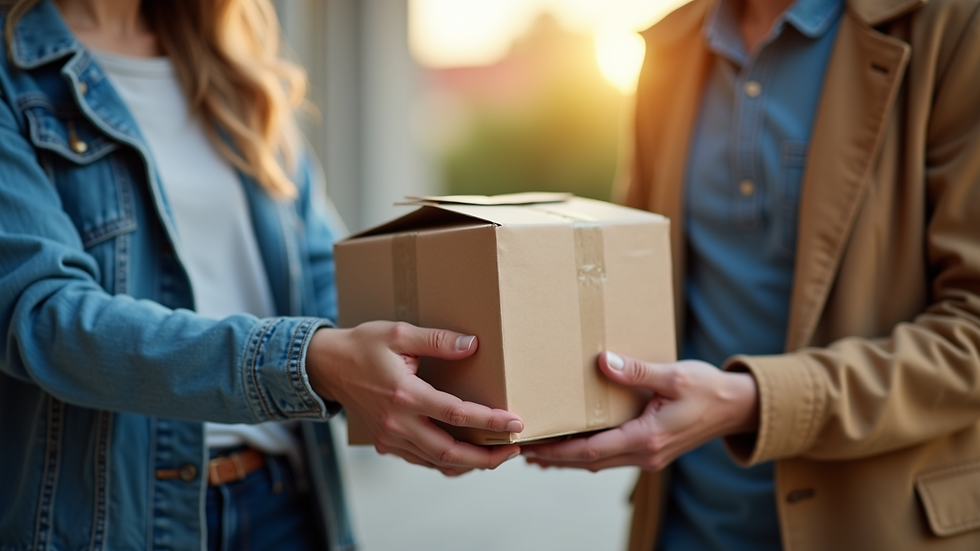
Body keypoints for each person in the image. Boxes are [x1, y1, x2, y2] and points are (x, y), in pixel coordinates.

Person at [0, 1, 525, 550]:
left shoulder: (237, 68)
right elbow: (42, 315)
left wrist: (446, 384)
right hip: (109, 522)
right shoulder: (12, 73)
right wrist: (308, 361)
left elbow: (319, 269)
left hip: (283, 501)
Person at [522, 0, 980, 547]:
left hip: (876, 528)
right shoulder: (669, 46)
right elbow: (632, 278)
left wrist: (758, 402)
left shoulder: (957, 26)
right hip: (684, 525)